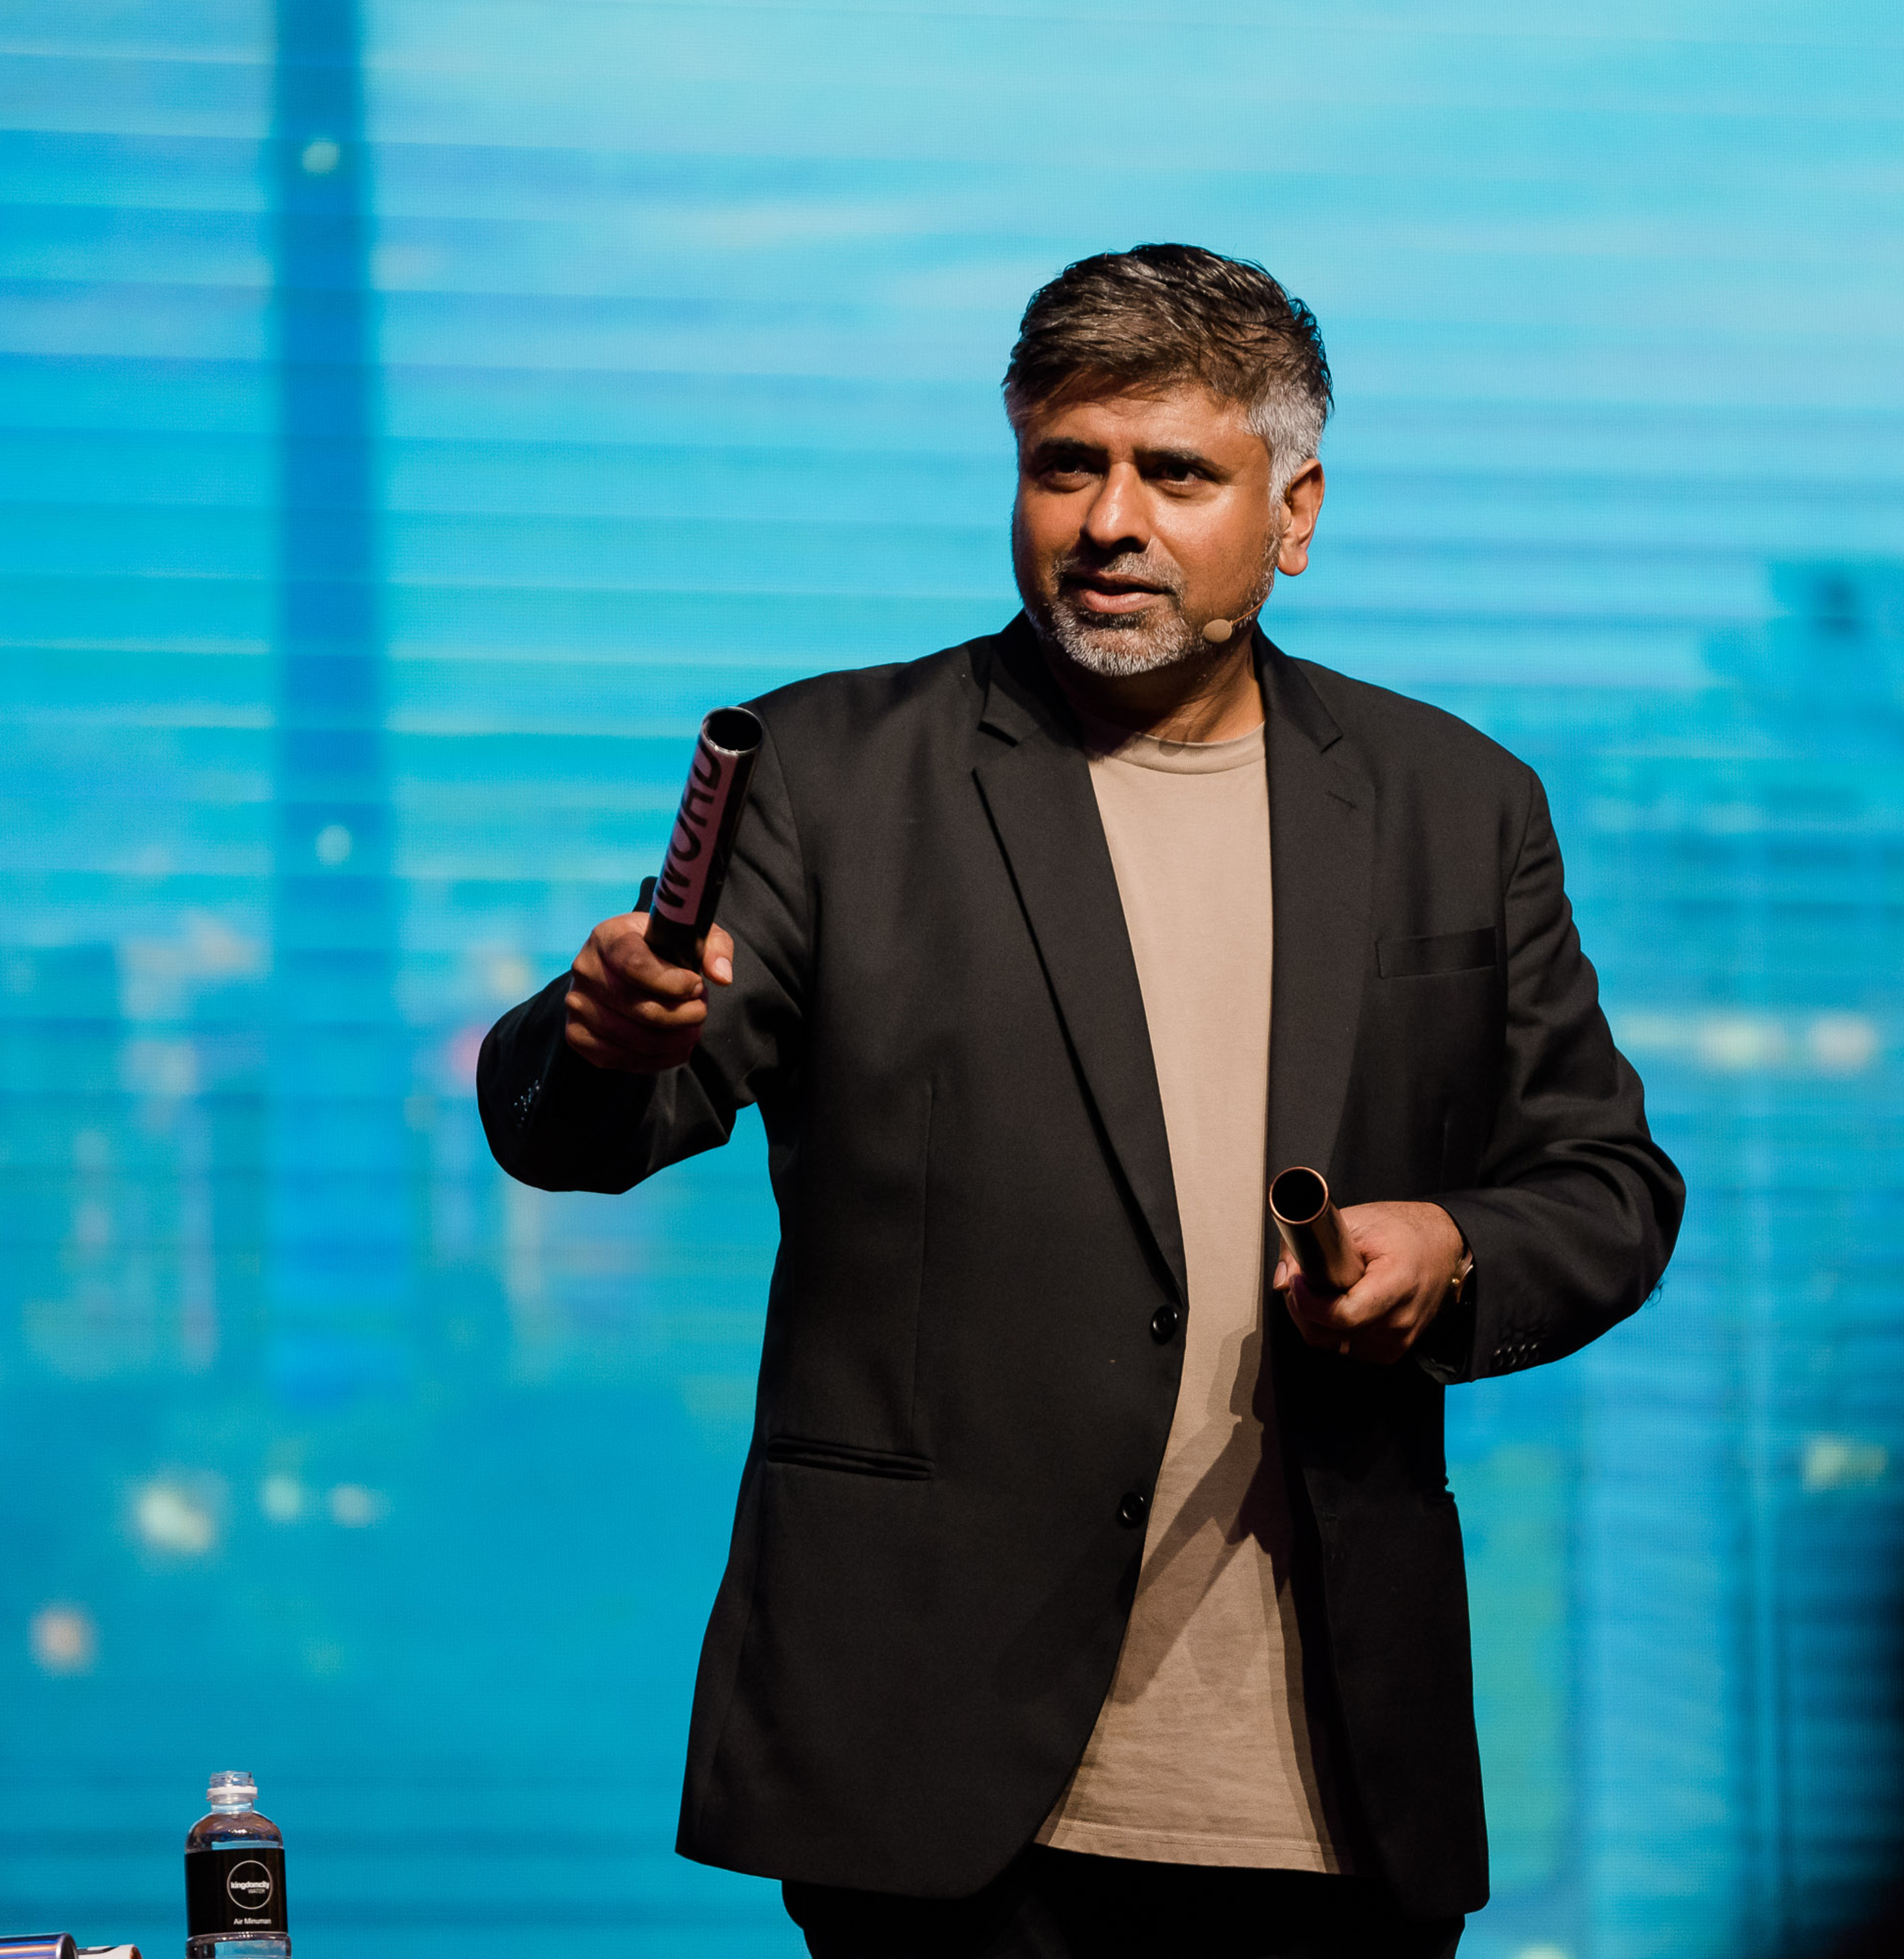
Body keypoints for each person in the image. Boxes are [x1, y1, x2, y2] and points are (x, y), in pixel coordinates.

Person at [478, 244, 1684, 1958]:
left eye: (1175, 474)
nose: (1108, 522)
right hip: (935, 1771)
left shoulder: (1458, 804)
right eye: (1067, 467)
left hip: (1335, 1779)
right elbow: (586, 1126)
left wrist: (1453, 1251)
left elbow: (1609, 1186)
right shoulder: (838, 774)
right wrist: (605, 1038)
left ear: (1293, 513)